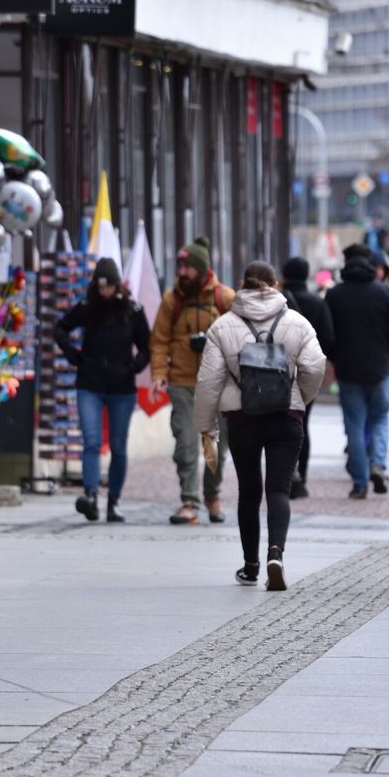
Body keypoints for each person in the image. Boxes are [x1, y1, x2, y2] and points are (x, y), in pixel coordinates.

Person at [194, 261, 326, 591]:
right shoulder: (298, 323)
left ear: (243, 284)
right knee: (279, 489)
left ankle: (251, 565)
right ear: (275, 284)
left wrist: (205, 427)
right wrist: (299, 400)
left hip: (242, 419)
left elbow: (208, 381)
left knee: (249, 492)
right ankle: (276, 554)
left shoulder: (223, 326)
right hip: (286, 418)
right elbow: (314, 366)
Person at [54, 258, 151, 522]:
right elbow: (60, 328)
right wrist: (75, 356)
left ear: (117, 285)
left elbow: (147, 345)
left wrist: (133, 367)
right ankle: (91, 496)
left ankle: (114, 501)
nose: (104, 292)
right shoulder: (88, 307)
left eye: (108, 287)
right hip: (90, 384)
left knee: (119, 446)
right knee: (92, 441)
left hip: (122, 388)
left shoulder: (132, 310)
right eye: (100, 287)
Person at [149, 237, 236, 525]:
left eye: (188, 267)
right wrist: (160, 376)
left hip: (219, 385)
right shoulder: (172, 300)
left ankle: (212, 496)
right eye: (180, 266)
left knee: (215, 449)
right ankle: (189, 500)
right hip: (182, 383)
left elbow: (242, 337)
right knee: (185, 444)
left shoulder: (225, 298)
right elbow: (159, 342)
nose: (182, 272)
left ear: (202, 269)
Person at [325, 244, 389, 499]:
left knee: (354, 425)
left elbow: (326, 334)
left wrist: (336, 357)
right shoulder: (383, 292)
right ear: (371, 265)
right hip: (380, 369)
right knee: (380, 419)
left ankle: (360, 483)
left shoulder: (335, 295)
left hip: (348, 371)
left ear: (346, 263)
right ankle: (378, 464)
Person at [281, 258, 335, 499]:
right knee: (303, 424)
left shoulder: (278, 303)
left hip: (281, 372)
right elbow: (329, 339)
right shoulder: (317, 303)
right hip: (309, 372)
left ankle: (285, 473)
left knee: (283, 423)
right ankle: (301, 473)